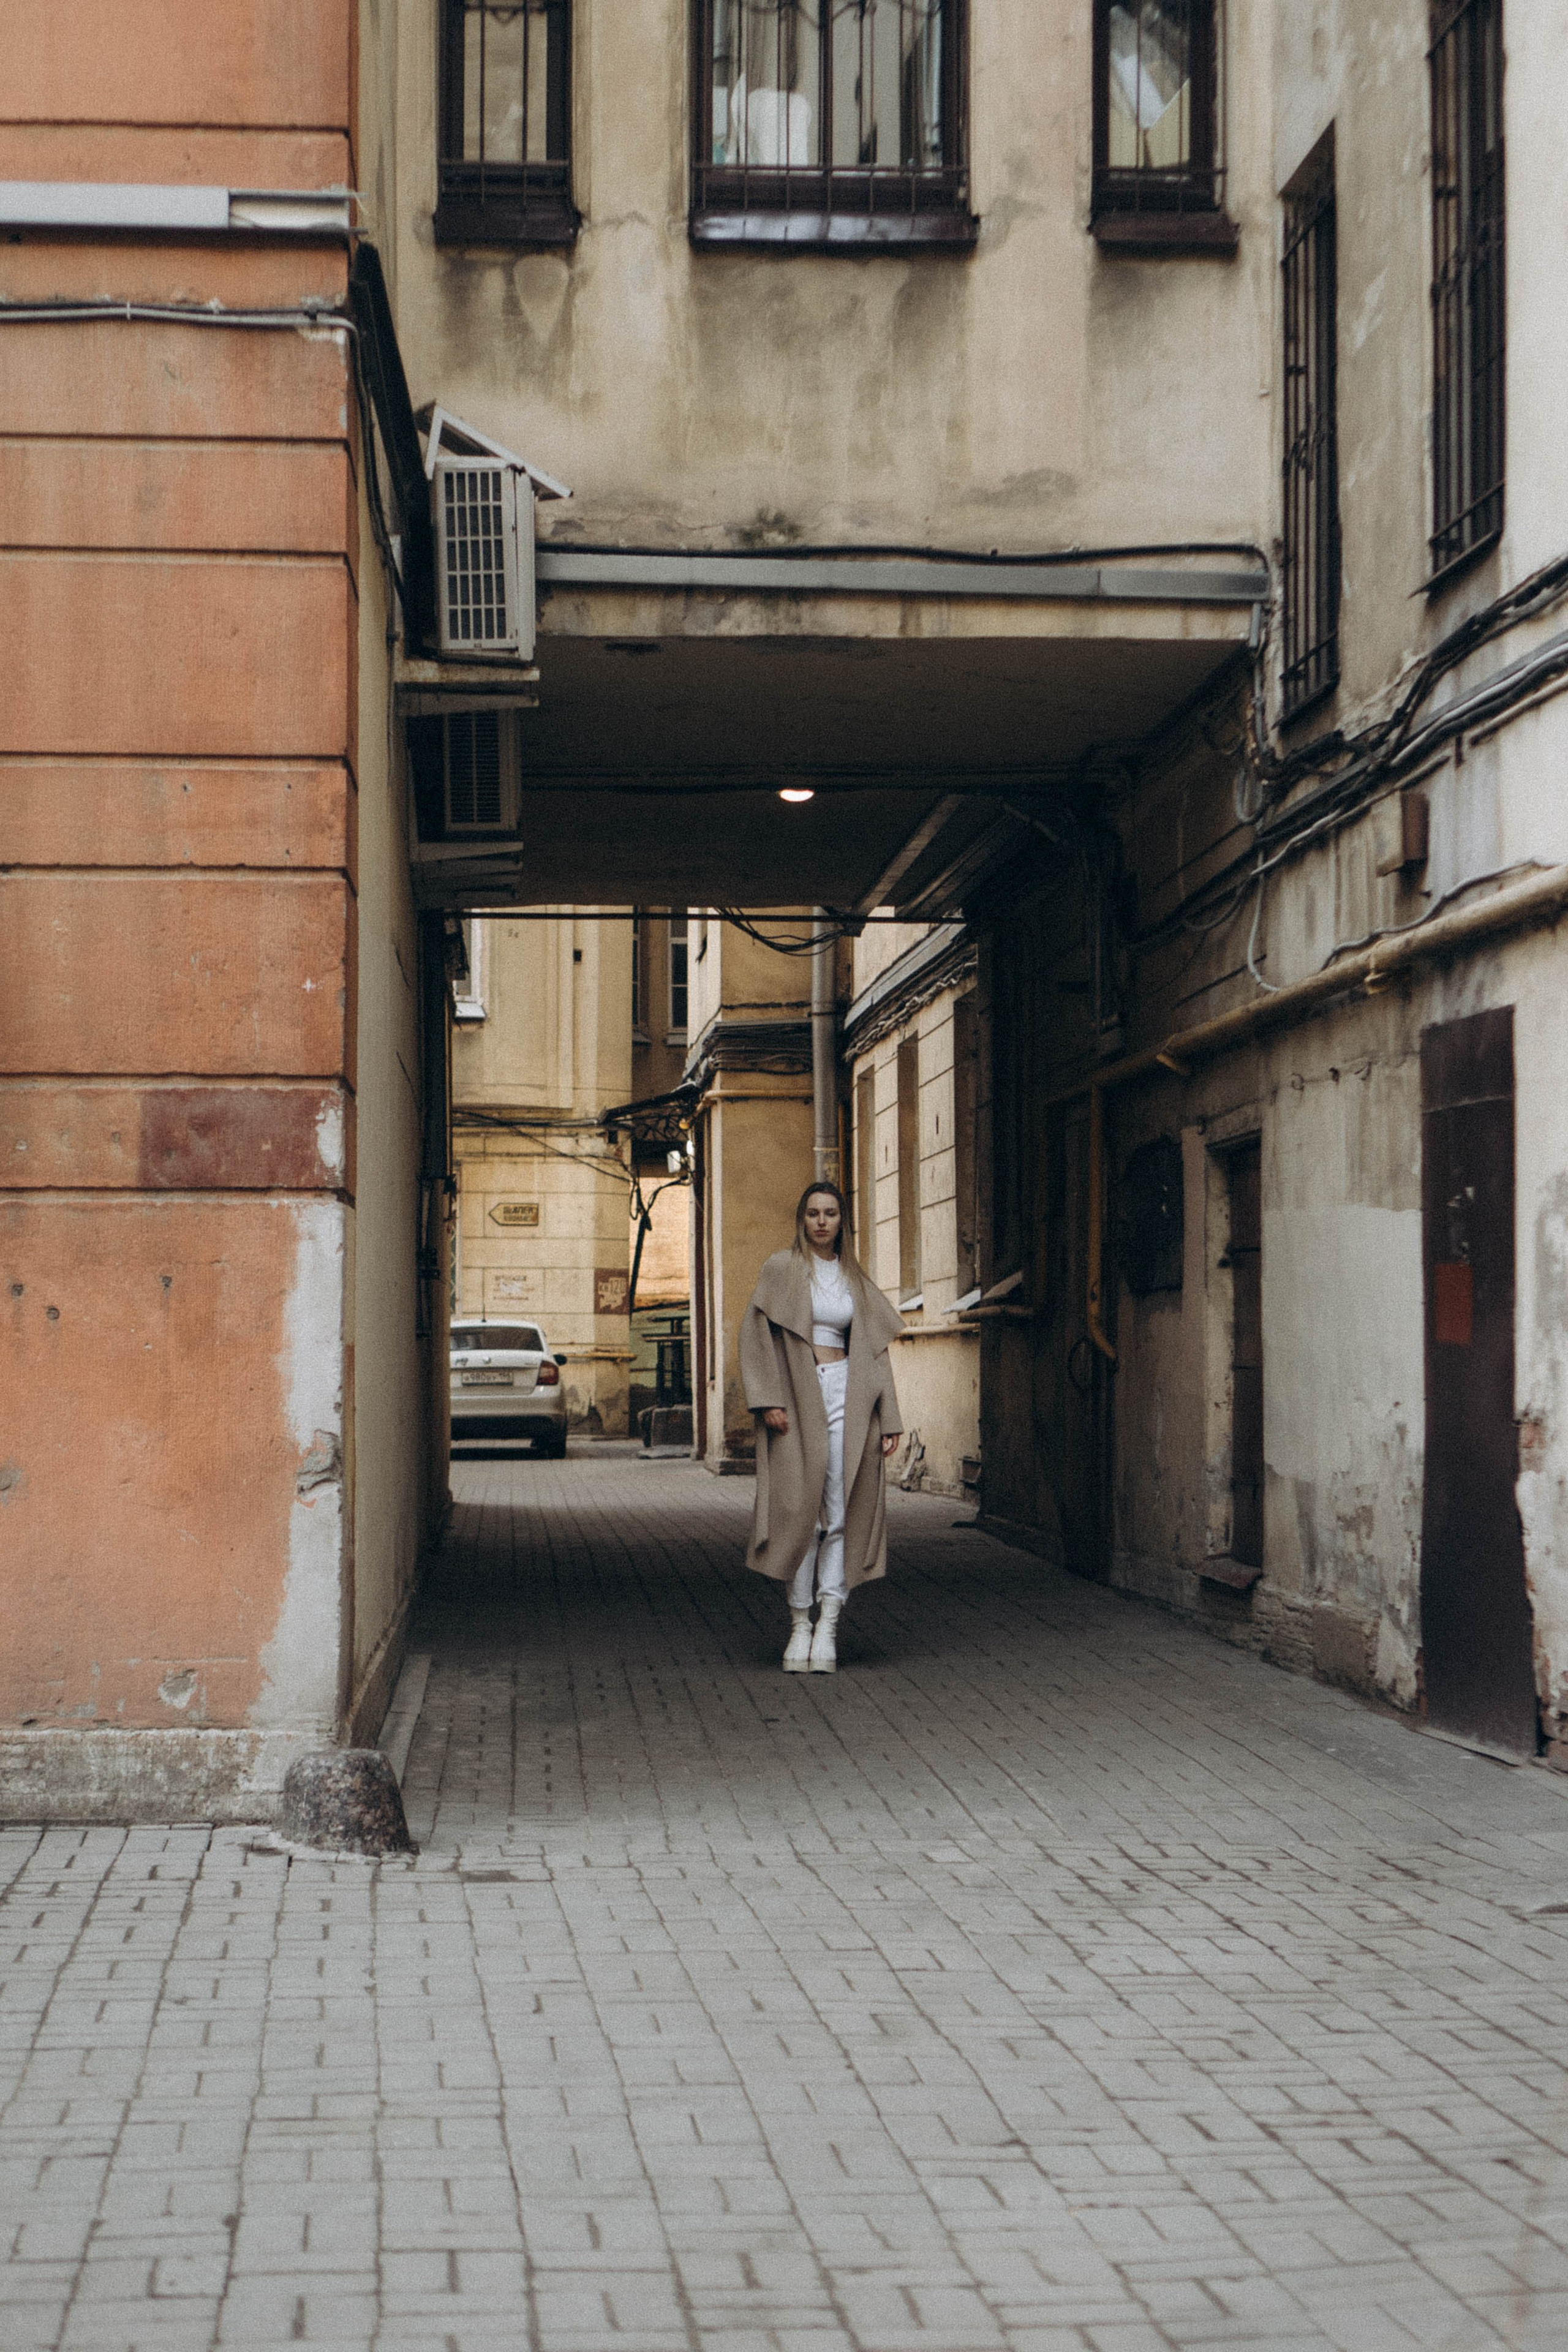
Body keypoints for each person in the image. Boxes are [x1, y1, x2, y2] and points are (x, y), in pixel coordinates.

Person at [738, 1180, 904, 1673]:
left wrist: (889, 1417)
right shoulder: (782, 1268)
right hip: (796, 1396)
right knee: (800, 1513)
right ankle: (799, 1625)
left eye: (831, 1213)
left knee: (840, 1513)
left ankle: (829, 1624)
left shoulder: (853, 1277)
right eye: (813, 1213)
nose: (822, 1222)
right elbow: (753, 1336)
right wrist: (767, 1398)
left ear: (841, 1221)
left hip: (848, 1398)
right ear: (802, 1219)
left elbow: (875, 1350)